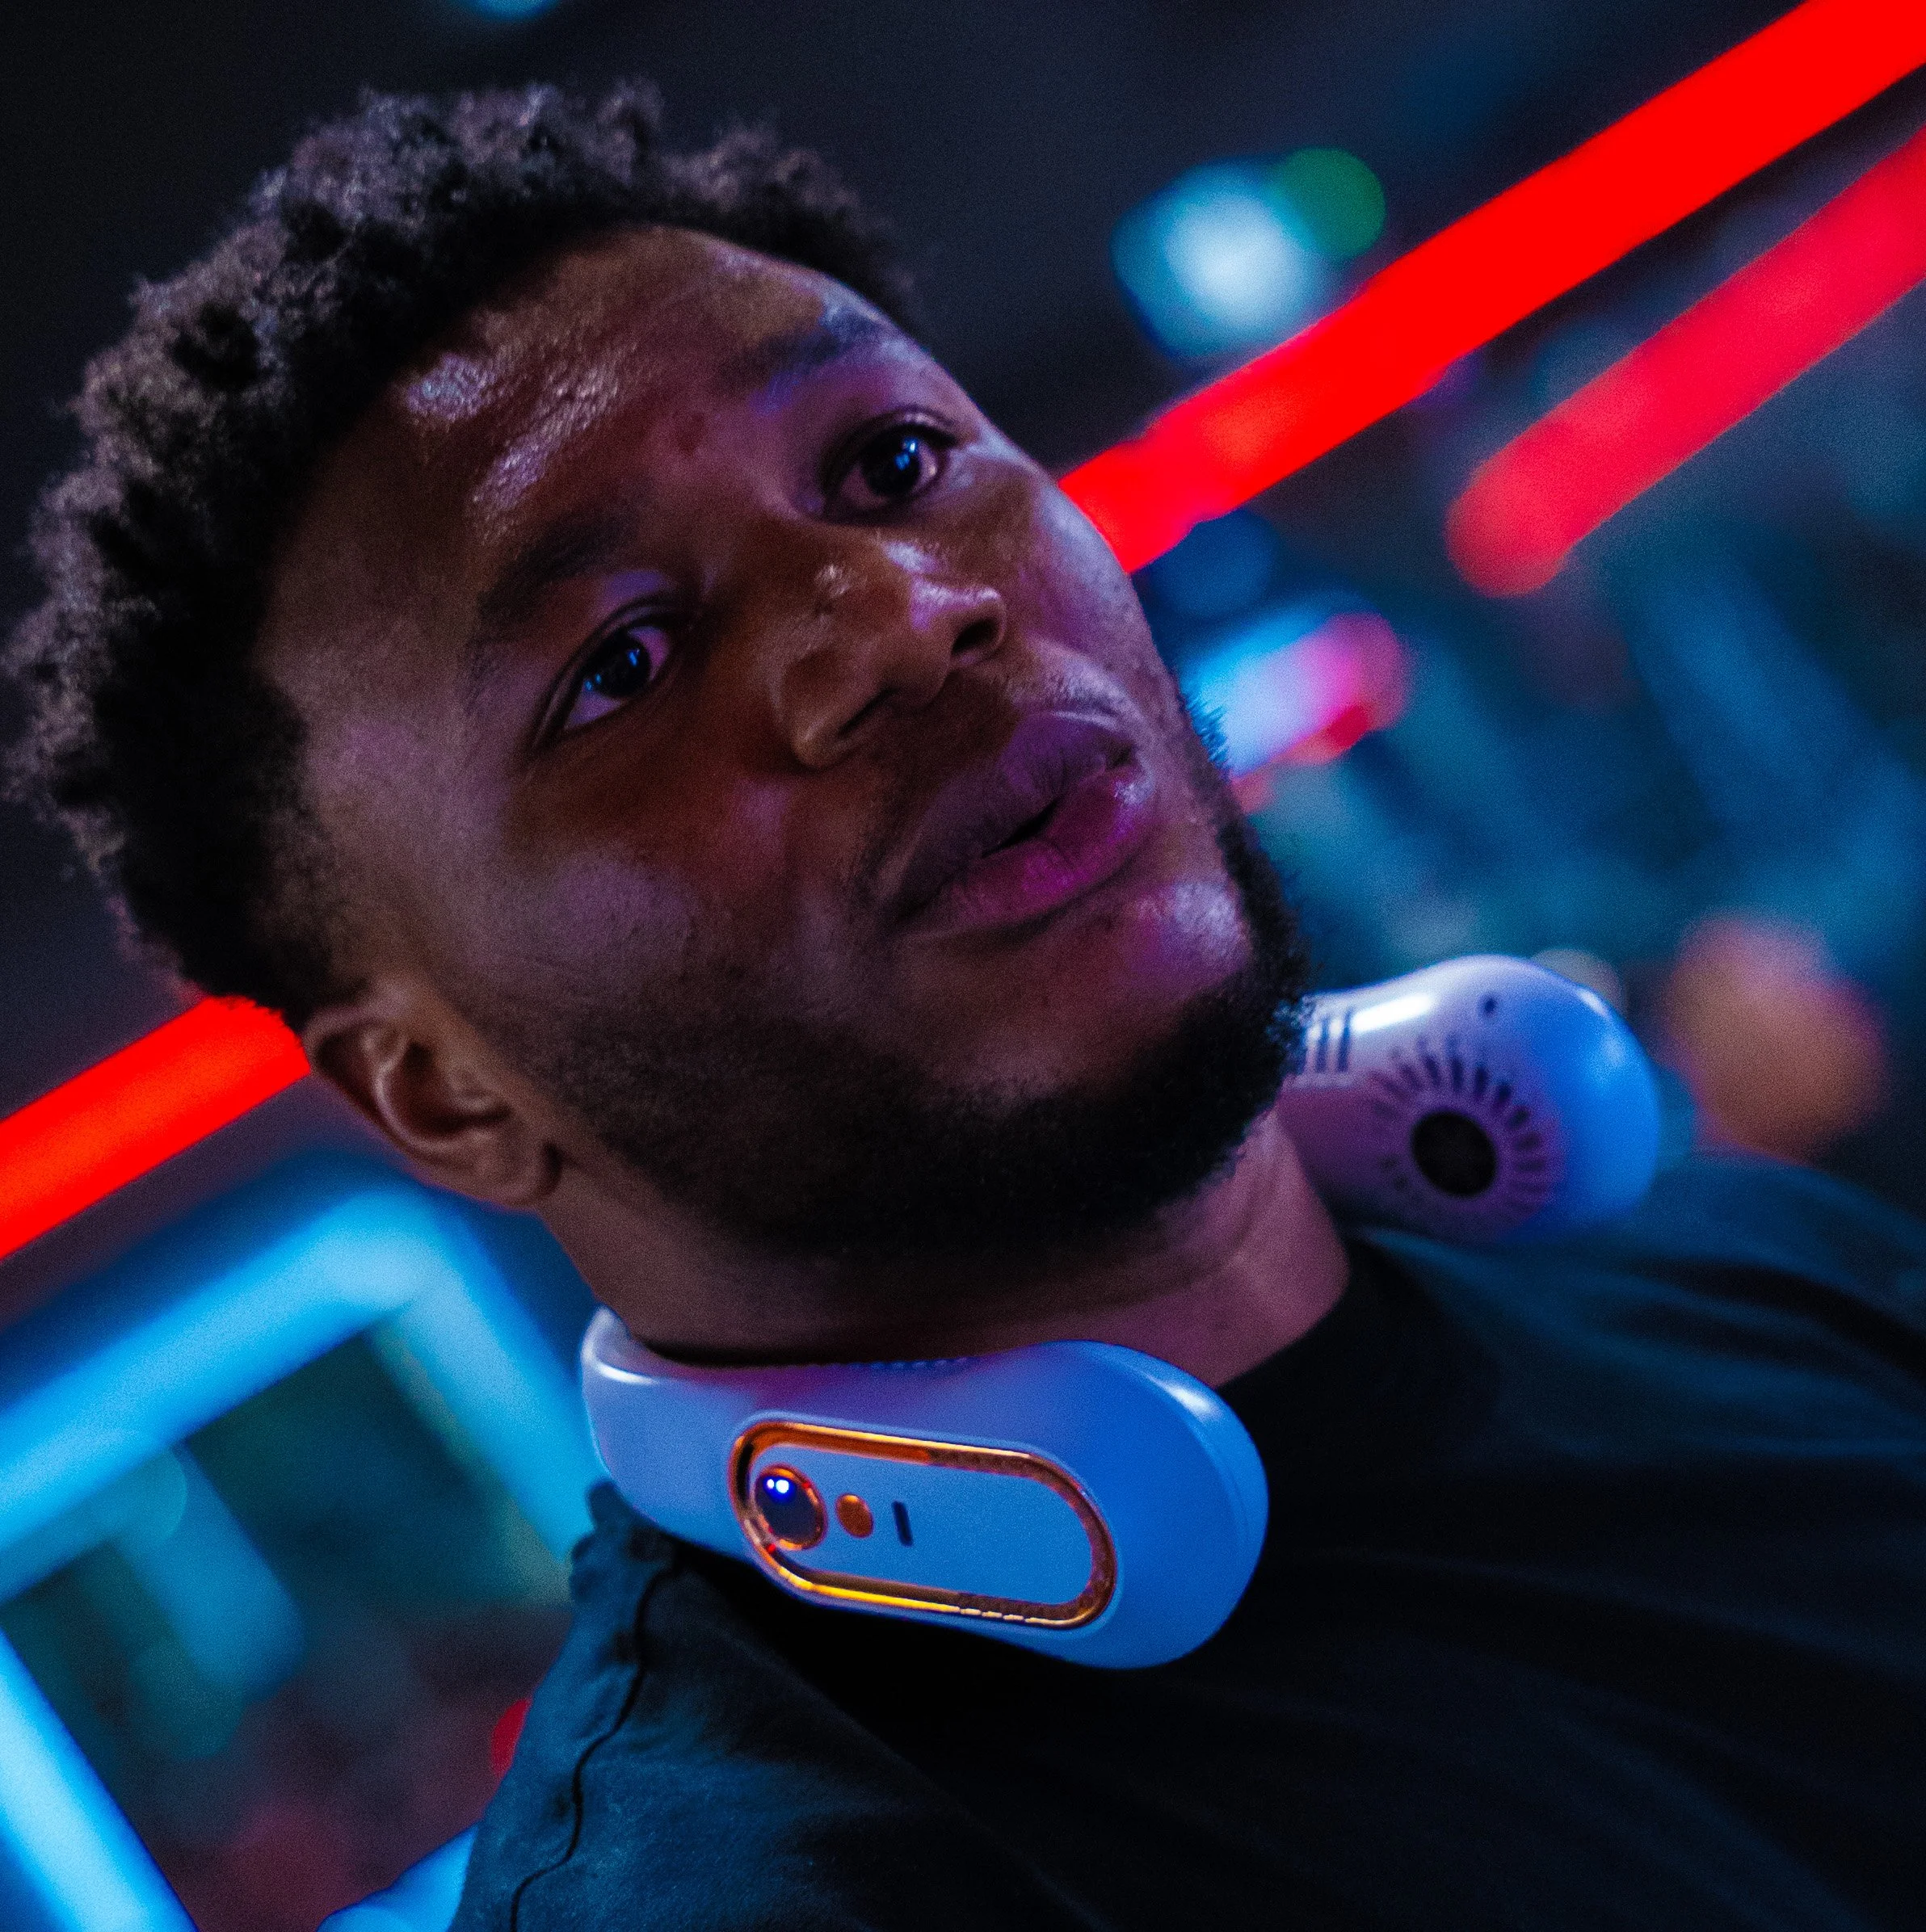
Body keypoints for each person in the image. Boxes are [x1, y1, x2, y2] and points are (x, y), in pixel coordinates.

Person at [8, 82, 1926, 1932]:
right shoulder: (771, 1892)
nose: (905, 617)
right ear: (436, 1087)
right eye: (624, 663)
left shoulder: (1740, 1265)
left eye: (892, 464)